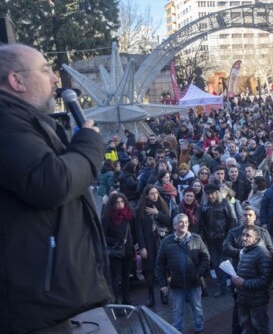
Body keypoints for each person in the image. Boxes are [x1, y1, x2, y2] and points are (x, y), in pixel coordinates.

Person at [0, 44, 112, 333]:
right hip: (31, 302)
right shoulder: (6, 122)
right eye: (45, 70)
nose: (54, 80)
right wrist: (88, 141)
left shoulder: (20, 120)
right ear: (17, 81)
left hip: (41, 297)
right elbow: (52, 182)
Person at [223, 206, 273, 334]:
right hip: (239, 275)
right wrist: (241, 253)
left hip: (255, 285)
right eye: (245, 215)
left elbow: (271, 251)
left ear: (255, 217)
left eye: (250, 215)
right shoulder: (234, 232)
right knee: (241, 317)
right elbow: (226, 247)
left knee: (259, 323)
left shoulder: (262, 234)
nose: (247, 217)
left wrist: (256, 256)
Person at [156, 213, 210, 334]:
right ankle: (177, 331)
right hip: (176, 283)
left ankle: (199, 329)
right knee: (177, 310)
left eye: (186, 222)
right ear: (174, 225)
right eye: (180, 221)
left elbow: (206, 258)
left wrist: (198, 274)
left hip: (194, 282)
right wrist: (163, 284)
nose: (184, 224)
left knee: (197, 308)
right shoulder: (166, 242)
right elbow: (159, 264)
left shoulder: (197, 238)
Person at [231, 225, 273, 334]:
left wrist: (243, 283)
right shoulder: (245, 251)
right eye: (243, 235)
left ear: (256, 238)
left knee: (260, 329)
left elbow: (265, 280)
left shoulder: (263, 254)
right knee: (246, 329)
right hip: (244, 300)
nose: (244, 238)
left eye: (248, 235)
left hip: (257, 302)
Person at [135, 185, 172, 306]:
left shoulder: (162, 204)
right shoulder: (140, 209)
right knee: (149, 270)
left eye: (156, 193)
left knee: (163, 268)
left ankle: (163, 293)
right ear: (146, 195)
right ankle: (150, 294)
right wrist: (142, 247)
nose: (155, 195)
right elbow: (138, 230)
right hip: (148, 242)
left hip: (162, 241)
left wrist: (157, 213)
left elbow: (169, 222)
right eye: (152, 193)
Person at [201, 183, 238, 297]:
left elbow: (233, 220)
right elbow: (203, 224)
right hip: (211, 240)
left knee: (228, 263)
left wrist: (228, 238)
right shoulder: (204, 206)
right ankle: (221, 286)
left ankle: (234, 285)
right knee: (217, 264)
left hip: (223, 239)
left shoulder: (225, 203)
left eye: (212, 193)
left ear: (217, 193)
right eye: (208, 194)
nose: (210, 196)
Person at [101, 193, 135, 305]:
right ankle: (117, 301)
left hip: (128, 251)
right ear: (113, 204)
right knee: (117, 278)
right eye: (117, 202)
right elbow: (102, 236)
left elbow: (134, 232)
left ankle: (127, 298)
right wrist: (115, 241)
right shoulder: (107, 217)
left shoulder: (129, 216)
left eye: (122, 202)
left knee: (126, 277)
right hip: (115, 252)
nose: (120, 204)